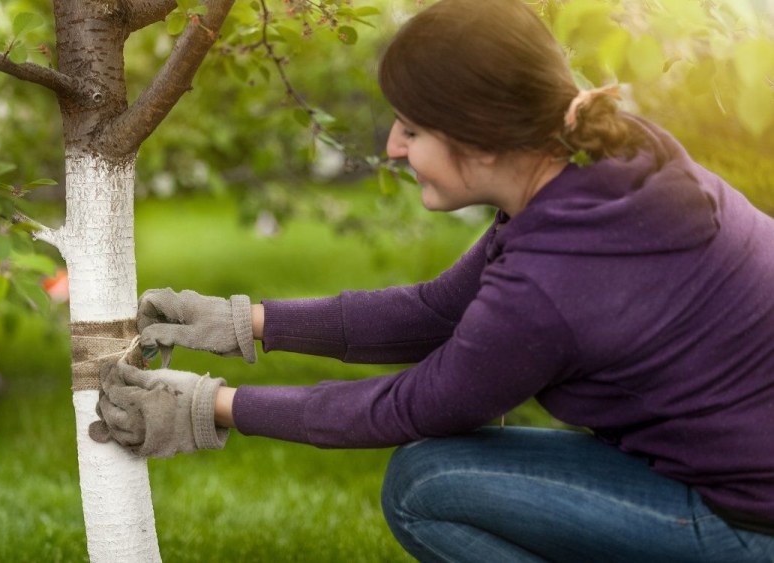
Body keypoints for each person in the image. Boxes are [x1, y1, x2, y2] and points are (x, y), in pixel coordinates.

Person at [88, 0, 774, 560]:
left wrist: (208, 406)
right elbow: (436, 310)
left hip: (748, 525)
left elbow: (409, 407)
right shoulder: (604, 159)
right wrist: (245, 321)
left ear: (479, 137)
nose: (391, 145)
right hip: (743, 476)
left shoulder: (551, 280)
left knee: (426, 482)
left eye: (412, 129)